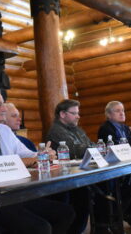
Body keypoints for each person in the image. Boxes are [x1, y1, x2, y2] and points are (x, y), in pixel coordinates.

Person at [0, 87, 75, 234]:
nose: (3, 108)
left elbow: (25, 153)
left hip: (10, 195)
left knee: (65, 212)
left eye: (3, 103)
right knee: (40, 228)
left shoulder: (4, 130)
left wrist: (43, 153)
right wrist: (33, 159)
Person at [45, 99, 92, 234]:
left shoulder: (77, 129)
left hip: (77, 172)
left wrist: (90, 147)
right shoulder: (56, 131)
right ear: (63, 114)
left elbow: (91, 145)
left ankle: (103, 223)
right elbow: (74, 150)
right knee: (85, 193)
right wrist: (90, 148)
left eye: (78, 113)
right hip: (64, 178)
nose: (78, 116)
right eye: (74, 113)